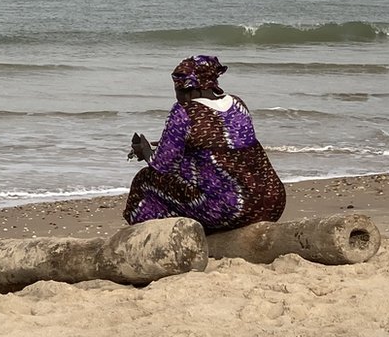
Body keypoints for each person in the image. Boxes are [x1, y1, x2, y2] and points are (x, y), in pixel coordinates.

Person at [122, 55, 285, 232]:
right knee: (193, 168)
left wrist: (144, 151)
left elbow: (163, 165)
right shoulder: (238, 103)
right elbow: (224, 145)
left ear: (186, 87)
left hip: (235, 209)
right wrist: (168, 144)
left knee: (146, 179)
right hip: (272, 202)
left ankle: (152, 236)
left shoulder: (184, 111)